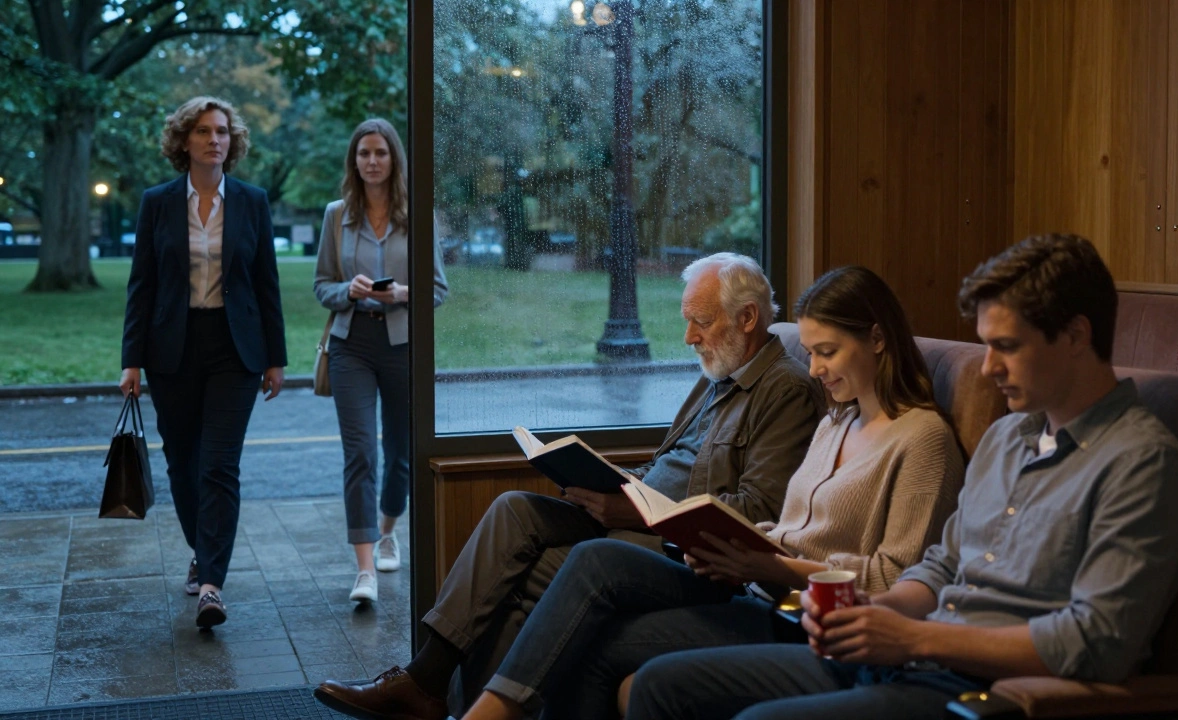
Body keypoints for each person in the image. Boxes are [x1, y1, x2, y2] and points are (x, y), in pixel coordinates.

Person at [625, 233, 1178, 720]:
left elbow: (1096, 642)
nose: (988, 368)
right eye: (985, 346)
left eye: (1007, 346)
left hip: (979, 690)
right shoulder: (1008, 438)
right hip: (908, 656)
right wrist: (879, 615)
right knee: (661, 686)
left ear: (1077, 335)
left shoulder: (1140, 464)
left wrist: (916, 637)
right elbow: (941, 565)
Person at [314, 252, 826, 720]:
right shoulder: (717, 374)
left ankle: (440, 699)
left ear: (749, 318)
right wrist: (616, 485)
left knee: (525, 579)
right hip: (636, 514)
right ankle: (427, 681)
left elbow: (754, 510)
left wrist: (633, 509)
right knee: (514, 508)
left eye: (701, 322)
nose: (689, 337)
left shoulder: (786, 390)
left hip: (682, 554)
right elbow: (670, 463)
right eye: (687, 320)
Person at [451, 265, 966, 720]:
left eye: (827, 353)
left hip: (797, 613)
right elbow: (785, 527)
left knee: (597, 611)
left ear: (877, 339)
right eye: (809, 353)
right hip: (756, 588)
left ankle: (489, 713)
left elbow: (896, 578)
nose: (813, 370)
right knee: (591, 571)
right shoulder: (838, 420)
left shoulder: (923, 441)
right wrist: (733, 545)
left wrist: (772, 566)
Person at [120, 96, 287, 629]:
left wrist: (275, 358)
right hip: (173, 347)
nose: (215, 139)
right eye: (203, 131)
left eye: (222, 131)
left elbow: (267, 284)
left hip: (234, 349)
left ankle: (211, 582)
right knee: (183, 466)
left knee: (219, 465)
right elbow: (141, 286)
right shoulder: (158, 202)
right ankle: (204, 548)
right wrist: (131, 363)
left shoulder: (252, 201)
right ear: (184, 141)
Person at [314, 119, 445, 604]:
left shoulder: (418, 215)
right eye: (364, 153)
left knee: (401, 456)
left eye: (381, 153)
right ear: (354, 161)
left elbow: (438, 291)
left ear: (394, 160)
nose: (372, 161)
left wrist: (405, 294)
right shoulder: (335, 216)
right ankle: (364, 568)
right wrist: (346, 290)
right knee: (361, 455)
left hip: (402, 343)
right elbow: (321, 285)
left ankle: (389, 529)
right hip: (351, 344)